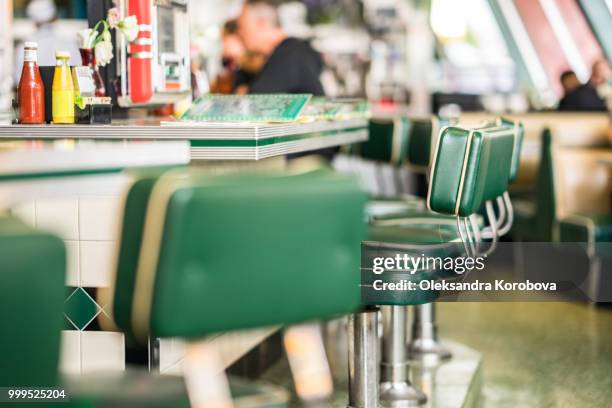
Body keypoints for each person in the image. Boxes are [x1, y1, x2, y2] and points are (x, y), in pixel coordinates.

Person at [236, 0, 325, 96]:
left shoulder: (289, 54)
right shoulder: (293, 50)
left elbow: (254, 101)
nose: (239, 33)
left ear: (261, 24)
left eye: (243, 27)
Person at [14, 0, 80, 84]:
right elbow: (78, 76)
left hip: (35, 96)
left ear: (34, 22)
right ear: (55, 17)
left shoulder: (23, 48)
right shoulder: (71, 43)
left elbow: (19, 81)